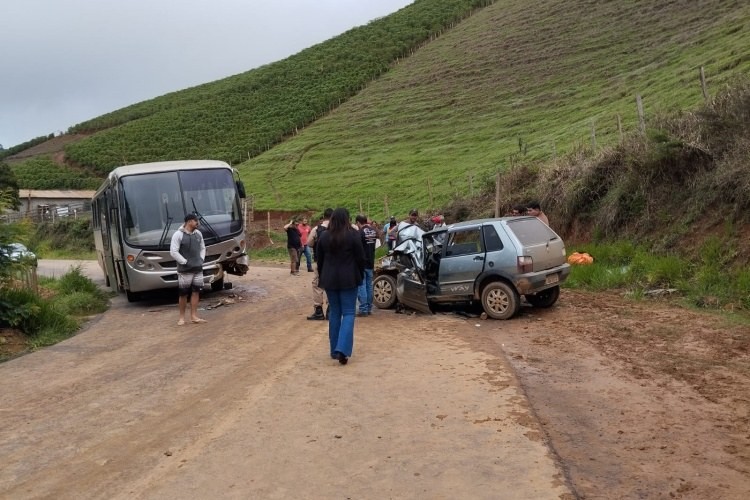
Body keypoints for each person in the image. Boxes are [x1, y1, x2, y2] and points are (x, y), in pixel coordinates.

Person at [317, 208, 365, 365]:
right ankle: (342, 349)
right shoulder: (353, 235)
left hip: (329, 279)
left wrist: (323, 276)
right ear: (347, 219)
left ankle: (334, 350)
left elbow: (320, 259)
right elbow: (360, 258)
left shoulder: (324, 236)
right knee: (349, 313)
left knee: (335, 313)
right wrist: (360, 275)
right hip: (349, 279)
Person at [170, 213, 206, 326]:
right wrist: (184, 262)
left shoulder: (198, 234)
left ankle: (194, 316)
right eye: (196, 221)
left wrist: (201, 259)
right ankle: (181, 318)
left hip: (198, 268)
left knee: (196, 292)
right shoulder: (178, 235)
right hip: (185, 270)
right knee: (183, 294)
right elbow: (173, 251)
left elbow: (203, 247)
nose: (198, 223)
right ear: (190, 221)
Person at [306, 208, 333, 320]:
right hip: (333, 263)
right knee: (331, 285)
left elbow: (309, 243)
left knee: (317, 285)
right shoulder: (337, 229)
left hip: (320, 262)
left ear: (324, 216)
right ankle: (331, 310)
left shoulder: (317, 229)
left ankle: (318, 311)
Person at [355, 214, 378, 317]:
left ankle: (363, 309)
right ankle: (369, 308)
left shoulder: (360, 233)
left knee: (362, 286)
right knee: (369, 286)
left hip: (362, 263)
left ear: (359, 222)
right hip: (371, 261)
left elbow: (357, 249)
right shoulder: (373, 231)